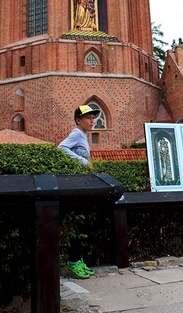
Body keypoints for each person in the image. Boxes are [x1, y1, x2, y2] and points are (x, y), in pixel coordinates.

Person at [58, 104, 100, 278]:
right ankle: (73, 262)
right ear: (78, 120)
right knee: (79, 222)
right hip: (74, 183)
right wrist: (83, 162)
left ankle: (77, 260)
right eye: (88, 118)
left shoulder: (82, 135)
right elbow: (61, 148)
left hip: (80, 182)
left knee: (83, 222)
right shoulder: (76, 133)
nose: (92, 121)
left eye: (93, 118)